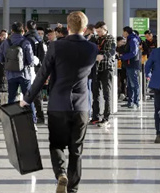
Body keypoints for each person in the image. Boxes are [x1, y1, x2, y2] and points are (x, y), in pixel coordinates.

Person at [21, 11, 98, 193]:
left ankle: (61, 173)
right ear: (85, 29)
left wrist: (27, 99)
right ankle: (73, 189)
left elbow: (42, 75)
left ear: (67, 27)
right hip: (81, 106)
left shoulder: (56, 46)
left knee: (56, 144)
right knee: (76, 150)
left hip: (58, 103)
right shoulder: (92, 48)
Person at [0, 22, 36, 121]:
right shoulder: (26, 42)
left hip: (10, 75)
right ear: (22, 30)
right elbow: (31, 61)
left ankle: (12, 120)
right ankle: (32, 120)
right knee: (28, 98)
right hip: (24, 75)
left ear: (12, 31)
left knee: (11, 98)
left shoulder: (5, 43)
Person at [90, 21, 116, 126]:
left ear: (105, 29)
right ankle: (95, 116)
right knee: (95, 94)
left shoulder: (110, 38)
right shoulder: (95, 38)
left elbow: (112, 51)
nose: (98, 33)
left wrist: (103, 56)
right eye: (97, 31)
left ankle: (106, 117)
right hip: (96, 69)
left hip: (106, 68)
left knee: (106, 94)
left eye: (100, 31)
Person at [25, 21, 46, 123]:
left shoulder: (26, 38)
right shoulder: (40, 39)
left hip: (29, 68)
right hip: (39, 68)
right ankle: (40, 115)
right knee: (37, 92)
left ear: (26, 27)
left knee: (29, 92)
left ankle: (31, 115)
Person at [120, 26, 141, 110]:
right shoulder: (130, 39)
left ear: (126, 32)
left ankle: (136, 101)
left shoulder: (133, 40)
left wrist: (123, 57)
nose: (122, 34)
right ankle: (131, 101)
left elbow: (133, 52)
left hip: (132, 64)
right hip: (129, 64)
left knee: (134, 83)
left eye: (123, 32)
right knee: (130, 83)